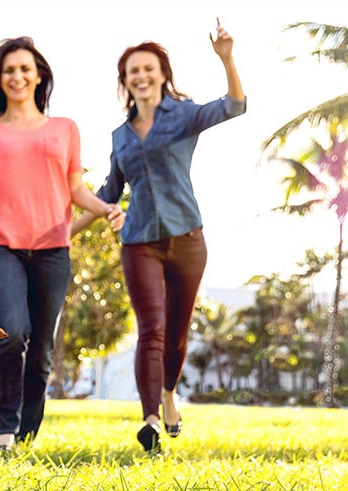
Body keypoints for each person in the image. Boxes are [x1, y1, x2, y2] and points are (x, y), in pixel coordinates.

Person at [72, 19, 246, 454]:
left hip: (188, 238)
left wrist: (226, 58)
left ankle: (169, 393)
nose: (141, 76)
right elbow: (109, 193)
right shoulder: (120, 136)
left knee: (176, 334)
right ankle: (150, 417)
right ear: (125, 82)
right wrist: (65, 231)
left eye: (148, 68)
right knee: (151, 328)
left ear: (162, 74)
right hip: (139, 242)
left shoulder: (183, 116)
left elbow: (235, 106)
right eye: (133, 71)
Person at [0, 36, 125, 452]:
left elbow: (75, 188)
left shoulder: (64, 129)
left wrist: (106, 207)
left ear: (39, 75)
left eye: (24, 68)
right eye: (8, 71)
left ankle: (26, 434)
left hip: (53, 248)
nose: (17, 76)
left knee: (41, 350)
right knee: (12, 330)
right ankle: (3, 433)